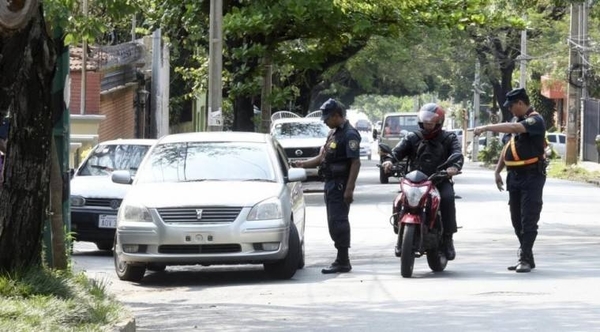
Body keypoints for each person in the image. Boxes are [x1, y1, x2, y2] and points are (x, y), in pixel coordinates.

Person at [474, 87, 546, 273]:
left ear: (521, 103)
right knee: (516, 220)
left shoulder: (535, 120)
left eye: (512, 106)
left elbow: (514, 128)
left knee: (528, 218)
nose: (511, 110)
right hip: (513, 176)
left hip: (532, 176)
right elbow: (507, 147)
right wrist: (498, 171)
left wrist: (487, 127)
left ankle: (524, 258)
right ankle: (527, 256)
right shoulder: (516, 121)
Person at [381, 103, 463, 260]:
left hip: (439, 179)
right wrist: (389, 161)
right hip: (415, 181)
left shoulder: (448, 138)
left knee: (447, 198)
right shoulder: (413, 137)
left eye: (431, 123)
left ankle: (447, 238)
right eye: (425, 123)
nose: (428, 126)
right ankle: (400, 230)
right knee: (400, 199)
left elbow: (457, 154)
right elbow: (398, 151)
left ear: (439, 123)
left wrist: (454, 167)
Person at [292, 98, 361, 274]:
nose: (325, 121)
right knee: (332, 221)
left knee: (339, 221)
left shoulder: (349, 134)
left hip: (340, 185)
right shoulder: (334, 133)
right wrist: (303, 164)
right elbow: (322, 157)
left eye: (328, 118)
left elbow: (355, 163)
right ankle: (341, 258)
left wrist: (349, 189)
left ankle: (343, 260)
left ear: (337, 115)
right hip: (330, 183)